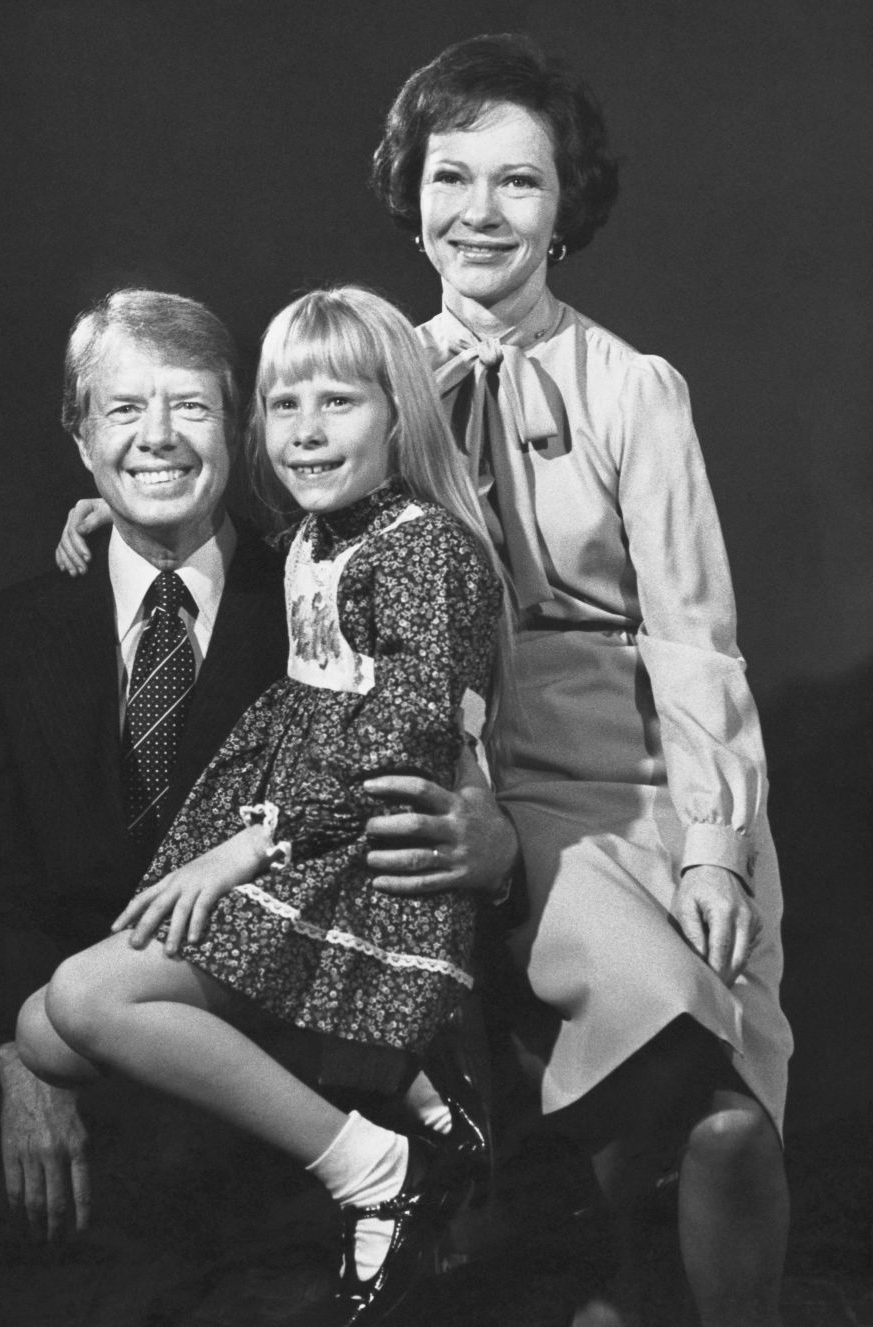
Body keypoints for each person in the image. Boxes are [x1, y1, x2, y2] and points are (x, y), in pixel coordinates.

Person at [368, 31, 793, 1327]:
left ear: (564, 210)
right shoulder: (369, 386)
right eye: (451, 177)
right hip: (498, 787)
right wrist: (134, 528)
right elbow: (295, 552)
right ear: (412, 196)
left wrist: (715, 849)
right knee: (675, 1064)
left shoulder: (634, 389)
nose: (479, 212)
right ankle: (633, 1282)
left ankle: (649, 1294)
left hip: (661, 775)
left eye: (518, 181)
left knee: (729, 1126)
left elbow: (696, 637)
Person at [0, 286, 515, 1250]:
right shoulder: (7, 634)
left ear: (234, 425)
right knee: (43, 1032)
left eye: (190, 407)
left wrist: (497, 850)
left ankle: (390, 1147)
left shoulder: (318, 582)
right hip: (105, 1073)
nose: (158, 438)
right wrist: (15, 1064)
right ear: (81, 438)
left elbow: (425, 737)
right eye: (125, 411)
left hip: (299, 1076)